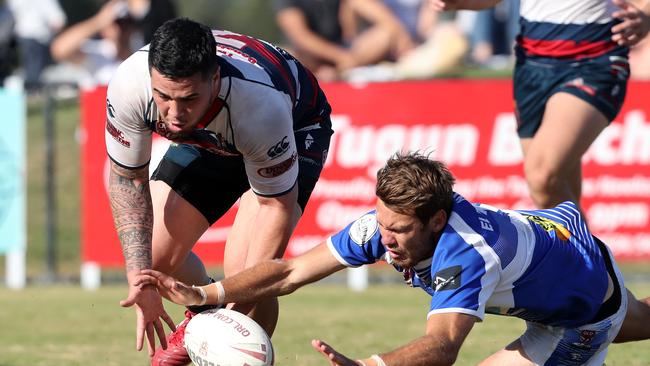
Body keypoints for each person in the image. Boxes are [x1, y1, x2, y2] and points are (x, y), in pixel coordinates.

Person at [131, 151, 650, 365]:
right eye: (382, 225)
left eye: (400, 231)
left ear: (437, 221)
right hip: (563, 244)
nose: (387, 240)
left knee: (626, 320)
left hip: (578, 314)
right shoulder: (387, 223)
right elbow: (290, 272)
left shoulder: (465, 254)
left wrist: (373, 365)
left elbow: (444, 346)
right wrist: (206, 294)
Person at [105, 18, 333, 365]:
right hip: (213, 132)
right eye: (163, 97)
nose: (175, 114)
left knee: (247, 277)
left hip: (294, 123)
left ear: (214, 79)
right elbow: (128, 179)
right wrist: (141, 280)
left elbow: (275, 208)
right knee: (153, 256)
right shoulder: (130, 83)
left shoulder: (260, 107)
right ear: (151, 78)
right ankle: (204, 309)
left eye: (187, 98)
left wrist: (231, 327)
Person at [431, 0, 650, 211]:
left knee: (542, 177)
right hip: (532, 66)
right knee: (558, 196)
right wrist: (460, 3)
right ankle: (584, 249)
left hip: (593, 61)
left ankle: (589, 250)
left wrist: (646, 15)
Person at [273, 0, 416, 81]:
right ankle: (336, 72)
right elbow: (300, 37)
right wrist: (341, 57)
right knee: (285, 55)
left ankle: (338, 73)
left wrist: (400, 34)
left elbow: (369, 7)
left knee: (385, 34)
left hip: (349, 51)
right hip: (312, 57)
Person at [50, 0, 143, 87]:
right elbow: (59, 50)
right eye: (117, 23)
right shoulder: (99, 52)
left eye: (127, 23)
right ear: (104, 28)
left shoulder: (143, 51)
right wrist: (99, 21)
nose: (121, 29)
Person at [7, 0, 66, 92]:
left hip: (22, 35)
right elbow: (57, 20)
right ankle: (33, 92)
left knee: (29, 67)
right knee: (36, 68)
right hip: (39, 36)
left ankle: (31, 91)